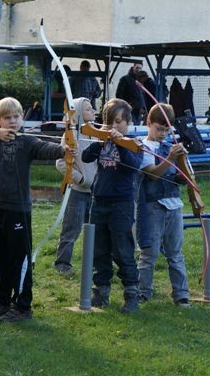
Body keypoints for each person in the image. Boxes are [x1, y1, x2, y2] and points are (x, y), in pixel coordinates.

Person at [0, 97, 73, 322]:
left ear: (22, 119)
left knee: (19, 258)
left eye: (16, 117)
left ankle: (22, 305)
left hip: (18, 209)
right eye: (7, 118)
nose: (12, 121)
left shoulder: (27, 142)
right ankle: (2, 301)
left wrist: (65, 149)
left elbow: (47, 149)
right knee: (0, 256)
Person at [82, 98, 144, 313]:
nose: (115, 126)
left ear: (128, 122)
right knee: (99, 249)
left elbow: (133, 166)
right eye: (110, 122)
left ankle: (131, 292)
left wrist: (121, 143)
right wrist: (100, 141)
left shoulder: (133, 144)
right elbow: (85, 156)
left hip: (121, 204)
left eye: (119, 122)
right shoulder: (102, 142)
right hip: (99, 201)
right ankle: (101, 290)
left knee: (122, 249)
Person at [136, 103, 191, 307]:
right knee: (149, 252)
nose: (163, 133)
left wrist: (183, 173)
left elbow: (184, 175)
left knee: (175, 253)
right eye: (159, 128)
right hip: (152, 206)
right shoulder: (142, 147)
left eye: (167, 130)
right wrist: (170, 158)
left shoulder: (171, 147)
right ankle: (143, 292)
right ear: (148, 123)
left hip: (174, 205)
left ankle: (181, 294)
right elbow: (152, 173)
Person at [53, 97, 97, 276]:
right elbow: (61, 163)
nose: (93, 110)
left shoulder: (96, 133)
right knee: (71, 228)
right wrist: (79, 179)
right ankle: (62, 263)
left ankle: (94, 263)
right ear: (77, 112)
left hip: (94, 191)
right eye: (88, 108)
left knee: (94, 229)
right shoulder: (70, 135)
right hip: (77, 191)